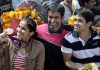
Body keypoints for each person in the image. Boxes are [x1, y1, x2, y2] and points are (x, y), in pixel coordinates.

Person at [37, 2, 72, 70]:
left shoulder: (70, 34)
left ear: (62, 17)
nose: (53, 20)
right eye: (50, 17)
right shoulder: (38, 29)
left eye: (56, 17)